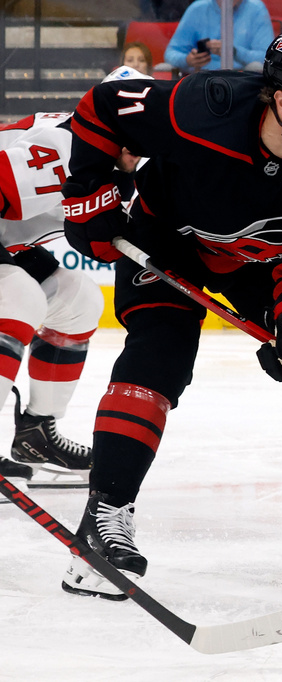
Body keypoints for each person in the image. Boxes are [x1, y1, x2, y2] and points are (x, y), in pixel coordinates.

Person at [58, 28, 282, 601]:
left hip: (262, 266)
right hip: (164, 239)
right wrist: (93, 188)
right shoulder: (206, 106)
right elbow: (103, 108)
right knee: (159, 352)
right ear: (280, 101)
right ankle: (104, 520)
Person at [0, 68, 149, 489]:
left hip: (5, 237)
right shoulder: (62, 146)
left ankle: (35, 436)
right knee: (18, 298)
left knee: (77, 299)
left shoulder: (121, 154)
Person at [164, 0, 276, 73]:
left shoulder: (256, 9)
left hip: (241, 81)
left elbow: (267, 58)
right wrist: (187, 60)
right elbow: (170, 53)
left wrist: (234, 52)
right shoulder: (197, 9)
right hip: (201, 79)